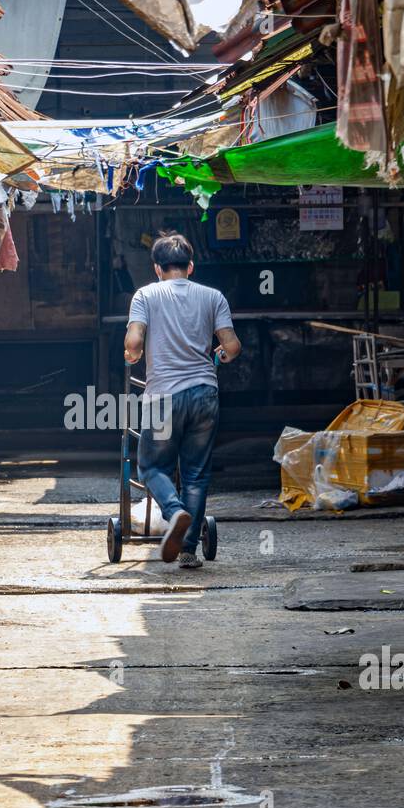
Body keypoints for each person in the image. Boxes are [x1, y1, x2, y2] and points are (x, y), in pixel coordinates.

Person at [124, 232, 242, 568]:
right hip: (205, 393)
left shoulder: (145, 295)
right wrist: (221, 353)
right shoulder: (213, 297)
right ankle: (189, 551)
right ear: (190, 266)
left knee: (152, 466)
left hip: (163, 396)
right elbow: (232, 347)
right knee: (196, 474)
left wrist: (133, 353)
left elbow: (134, 341)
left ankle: (174, 512)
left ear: (157, 268)